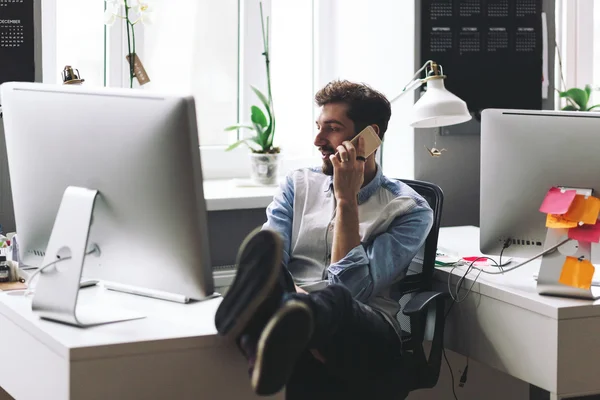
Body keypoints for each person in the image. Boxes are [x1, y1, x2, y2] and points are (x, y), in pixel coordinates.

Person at [215, 80, 434, 399]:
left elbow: (352, 289)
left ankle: (267, 324)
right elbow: (273, 265)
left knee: (338, 299)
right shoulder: (297, 184)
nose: (318, 140)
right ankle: (292, 313)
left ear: (368, 138)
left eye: (332, 128)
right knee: (268, 267)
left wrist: (347, 201)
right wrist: (294, 292)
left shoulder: (409, 209)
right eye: (319, 127)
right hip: (291, 310)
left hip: (364, 325)